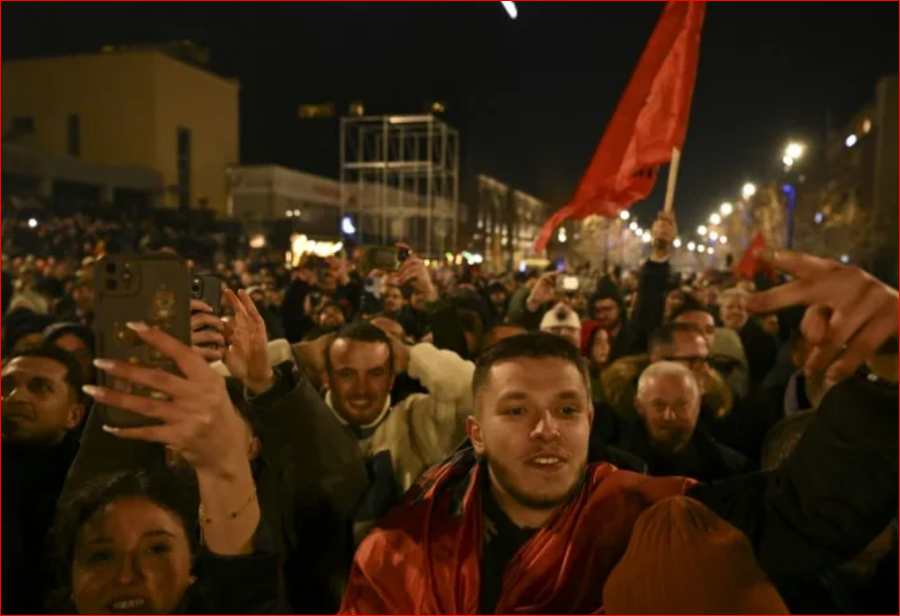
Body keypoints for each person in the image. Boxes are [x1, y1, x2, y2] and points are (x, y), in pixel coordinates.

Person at [339, 251, 899, 615]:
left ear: (591, 419)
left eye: (566, 410)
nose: (544, 430)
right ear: (475, 432)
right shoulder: (399, 554)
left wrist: (886, 376)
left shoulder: (651, 518)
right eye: (515, 411)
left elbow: (806, 514)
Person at [71, 321, 291, 614]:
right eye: (102, 556)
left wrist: (225, 467)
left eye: (156, 549)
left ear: (192, 568)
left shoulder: (278, 497)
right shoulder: (135, 488)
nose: (126, 576)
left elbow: (245, 589)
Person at [294, 320, 474, 542]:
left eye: (375, 373)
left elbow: (475, 393)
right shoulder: (301, 424)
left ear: (391, 379)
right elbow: (239, 383)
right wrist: (296, 355)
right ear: (326, 377)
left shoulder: (416, 421)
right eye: (347, 374)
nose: (362, 389)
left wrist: (411, 354)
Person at [2, 345, 88, 614]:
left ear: (73, 415)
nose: (17, 397)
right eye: (6, 386)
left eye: (40, 387)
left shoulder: (89, 484)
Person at [619, 362, 748, 482]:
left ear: (698, 405)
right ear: (639, 406)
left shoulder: (734, 470)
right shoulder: (616, 468)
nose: (669, 416)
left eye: (680, 405)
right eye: (659, 405)